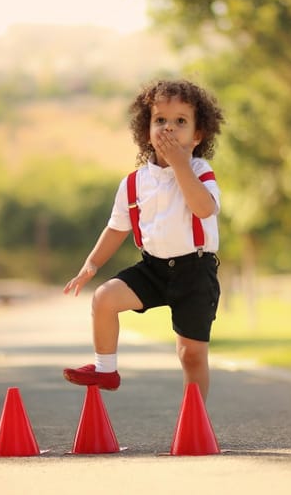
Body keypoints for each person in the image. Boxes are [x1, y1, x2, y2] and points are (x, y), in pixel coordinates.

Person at [62, 79, 225, 401]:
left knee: (190, 354)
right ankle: (105, 370)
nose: (169, 129)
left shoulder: (200, 171)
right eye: (160, 120)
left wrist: (181, 165)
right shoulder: (134, 183)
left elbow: (204, 208)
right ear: (145, 130)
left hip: (195, 272)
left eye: (180, 121)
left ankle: (195, 421)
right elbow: (116, 228)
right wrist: (91, 265)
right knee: (104, 299)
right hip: (153, 269)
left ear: (197, 135)